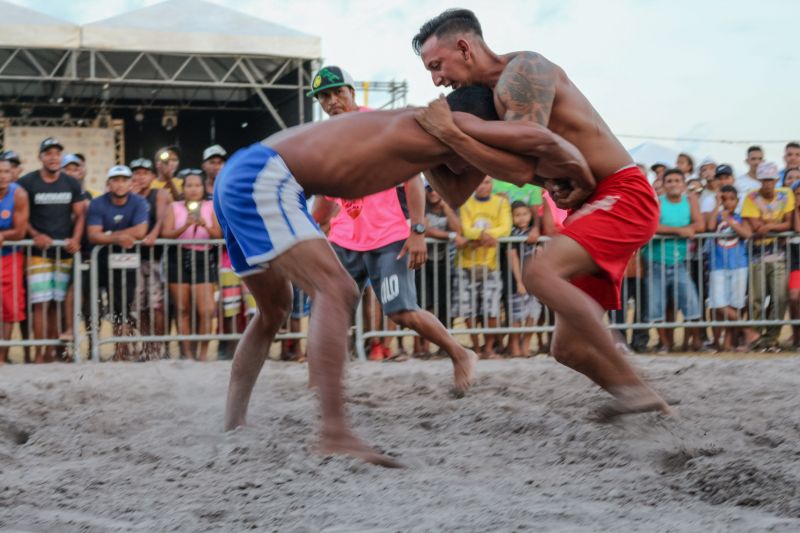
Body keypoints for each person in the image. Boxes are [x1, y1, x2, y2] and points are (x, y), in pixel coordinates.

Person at [214, 84, 601, 465]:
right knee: (337, 289)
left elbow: (457, 187)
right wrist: (578, 178)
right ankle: (334, 433)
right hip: (265, 179)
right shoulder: (443, 124)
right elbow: (534, 146)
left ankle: (233, 421)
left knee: (274, 310)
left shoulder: (415, 129)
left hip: (241, 176)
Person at [413, 8, 671, 415]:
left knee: (537, 272)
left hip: (622, 192)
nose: (436, 79)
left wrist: (452, 128)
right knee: (566, 349)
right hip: (590, 205)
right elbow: (458, 192)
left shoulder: (524, 69)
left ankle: (635, 386)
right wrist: (425, 148)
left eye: (436, 65)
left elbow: (530, 139)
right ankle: (644, 401)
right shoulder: (487, 106)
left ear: (464, 47)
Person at [308, 65, 473, 366]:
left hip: (388, 238)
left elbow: (412, 178)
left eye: (337, 93)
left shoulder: (379, 125)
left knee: (400, 312)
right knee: (328, 304)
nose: (331, 101)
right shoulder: (326, 137)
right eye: (323, 97)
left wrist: (418, 231)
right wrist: (302, 232)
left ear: (351, 92)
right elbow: (324, 200)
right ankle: (322, 374)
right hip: (345, 239)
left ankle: (460, 353)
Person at [17, 137, 86, 363]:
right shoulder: (28, 182)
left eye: (57, 153)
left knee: (56, 304)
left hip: (64, 253)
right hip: (38, 254)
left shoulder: (71, 183)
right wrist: (35, 234)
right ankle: (40, 353)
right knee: (40, 304)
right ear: (40, 157)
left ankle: (53, 352)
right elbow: (22, 216)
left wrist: (76, 239)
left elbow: (80, 215)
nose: (53, 157)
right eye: (48, 153)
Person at [86, 165, 149, 360]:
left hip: (126, 263)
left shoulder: (139, 202)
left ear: (131, 183)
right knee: (92, 308)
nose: (120, 184)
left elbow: (141, 232)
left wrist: (108, 235)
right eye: (116, 180)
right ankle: (93, 351)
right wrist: (120, 238)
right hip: (101, 261)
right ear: (108, 183)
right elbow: (93, 236)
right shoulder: (97, 203)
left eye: (124, 180)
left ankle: (120, 351)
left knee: (122, 308)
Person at [641, 169, 705, 352]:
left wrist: (685, 229)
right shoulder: (657, 202)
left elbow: (700, 225)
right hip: (655, 261)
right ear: (664, 184)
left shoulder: (690, 201)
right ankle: (665, 343)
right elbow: (652, 226)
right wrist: (680, 231)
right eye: (669, 181)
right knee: (656, 305)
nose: (673, 184)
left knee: (691, 302)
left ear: (684, 184)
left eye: (677, 180)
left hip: (679, 262)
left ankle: (696, 342)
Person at [161, 170, 220, 361]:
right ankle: (187, 353)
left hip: (202, 256)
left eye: (197, 185)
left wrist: (204, 225)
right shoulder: (174, 207)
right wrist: (184, 226)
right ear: (183, 188)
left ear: (203, 188)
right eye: (189, 185)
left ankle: (203, 353)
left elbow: (218, 235)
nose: (193, 189)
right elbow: (166, 234)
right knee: (182, 309)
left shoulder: (211, 206)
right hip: (177, 256)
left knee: (207, 310)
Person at [454, 175, 511, 358]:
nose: (481, 186)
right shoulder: (466, 203)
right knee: (468, 310)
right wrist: (485, 236)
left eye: (486, 182)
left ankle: (488, 348)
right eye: (478, 182)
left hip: (490, 265)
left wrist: (479, 236)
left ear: (492, 184)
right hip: (465, 264)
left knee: (491, 310)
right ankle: (476, 348)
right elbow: (465, 229)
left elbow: (506, 228)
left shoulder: (501, 203)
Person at [742, 161, 794, 350]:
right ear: (759, 180)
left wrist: (770, 225)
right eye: (764, 181)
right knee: (756, 298)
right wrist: (775, 225)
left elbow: (788, 224)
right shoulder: (751, 196)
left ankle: (772, 337)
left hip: (779, 255)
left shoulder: (786, 194)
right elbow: (756, 226)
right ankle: (755, 336)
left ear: (776, 180)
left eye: (771, 180)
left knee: (779, 298)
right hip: (758, 255)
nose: (767, 184)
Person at [413, 185, 461, 357]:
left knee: (444, 307)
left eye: (436, 189)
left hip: (444, 263)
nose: (433, 192)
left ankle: (444, 346)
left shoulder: (451, 206)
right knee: (424, 305)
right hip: (423, 262)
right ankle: (420, 347)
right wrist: (449, 236)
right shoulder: (421, 206)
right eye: (429, 189)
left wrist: (447, 209)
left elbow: (459, 230)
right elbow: (423, 231)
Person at [131, 158, 171, 359]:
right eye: (136, 173)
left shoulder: (160, 193)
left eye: (144, 173)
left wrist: (154, 234)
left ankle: (159, 346)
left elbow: (162, 218)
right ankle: (148, 347)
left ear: (152, 176)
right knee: (141, 307)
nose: (140, 176)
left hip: (156, 257)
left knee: (157, 306)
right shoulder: (129, 195)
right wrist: (134, 198)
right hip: (135, 258)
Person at [706, 185, 753, 351]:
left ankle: (728, 342)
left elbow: (746, 234)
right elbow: (710, 227)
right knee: (718, 304)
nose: (728, 202)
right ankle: (748, 330)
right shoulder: (717, 216)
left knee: (735, 305)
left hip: (739, 265)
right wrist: (717, 206)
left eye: (731, 199)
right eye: (724, 199)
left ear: (737, 200)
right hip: (718, 265)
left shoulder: (741, 217)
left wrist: (729, 220)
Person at [0, 158, 29, 364]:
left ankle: (2, 356)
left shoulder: (18, 194)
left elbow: (20, 232)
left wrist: (3, 236)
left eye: (6, 171)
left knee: (9, 307)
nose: (2, 175)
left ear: (13, 174)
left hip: (10, 256)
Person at [507, 200, 541, 357]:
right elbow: (512, 258)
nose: (521, 218)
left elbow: (539, 255)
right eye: (517, 215)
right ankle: (515, 346)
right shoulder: (512, 234)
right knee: (517, 315)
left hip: (534, 280)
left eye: (525, 214)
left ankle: (526, 345)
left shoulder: (535, 234)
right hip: (518, 280)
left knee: (532, 314)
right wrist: (519, 282)